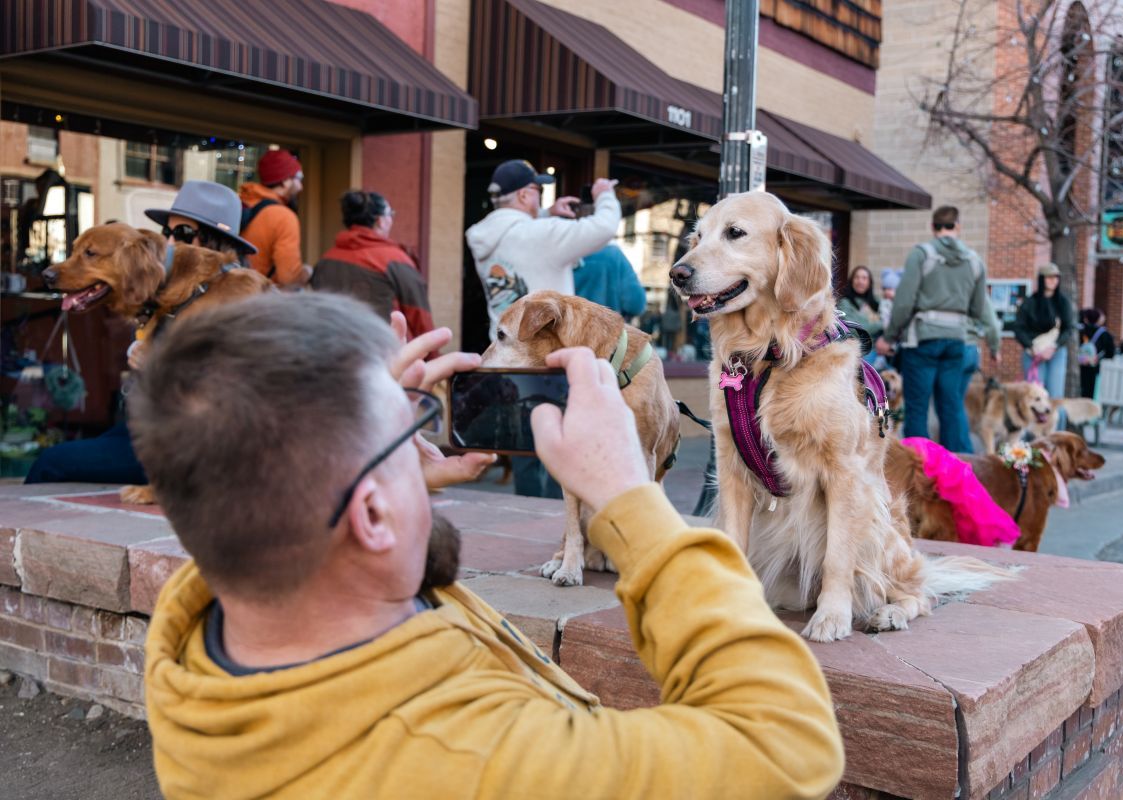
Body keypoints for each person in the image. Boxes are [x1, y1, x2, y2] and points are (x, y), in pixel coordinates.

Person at [133, 291, 844, 799]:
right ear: (371, 518)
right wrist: (632, 499)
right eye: (409, 433)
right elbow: (788, 744)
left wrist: (363, 454)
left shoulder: (209, 625)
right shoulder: (484, 761)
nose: (424, 440)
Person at [24, 180, 258, 485]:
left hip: (188, 442)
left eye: (184, 233)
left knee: (50, 462)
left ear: (219, 243)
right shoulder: (173, 288)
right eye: (168, 233)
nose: (171, 242)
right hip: (149, 425)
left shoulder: (237, 298)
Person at [883, 205, 1000, 453]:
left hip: (922, 341)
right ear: (958, 226)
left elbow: (904, 302)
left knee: (917, 408)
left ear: (932, 227)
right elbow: (980, 308)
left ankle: (918, 470)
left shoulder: (921, 255)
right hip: (956, 341)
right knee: (951, 406)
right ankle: (958, 469)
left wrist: (890, 336)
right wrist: (994, 342)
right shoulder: (974, 261)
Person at [466, 159, 621, 341]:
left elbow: (512, 226)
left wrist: (545, 213)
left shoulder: (482, 236)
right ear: (523, 195)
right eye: (538, 190)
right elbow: (604, 227)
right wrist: (605, 195)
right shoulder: (542, 234)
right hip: (543, 359)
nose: (539, 196)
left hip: (502, 352)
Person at [311, 190, 435, 337]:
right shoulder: (395, 260)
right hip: (386, 352)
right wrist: (432, 354)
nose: (392, 220)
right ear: (380, 221)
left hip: (336, 348)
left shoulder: (326, 260)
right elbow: (419, 315)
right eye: (390, 214)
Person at [238, 149, 308, 287]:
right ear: (286, 181)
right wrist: (307, 273)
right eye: (299, 178)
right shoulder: (284, 217)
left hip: (228, 294)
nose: (301, 187)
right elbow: (288, 280)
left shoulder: (240, 203)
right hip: (259, 301)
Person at [1012, 263, 1075, 398]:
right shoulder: (1030, 302)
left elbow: (1068, 329)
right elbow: (1018, 328)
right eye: (1049, 277)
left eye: (1056, 277)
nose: (1053, 280)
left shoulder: (1063, 302)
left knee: (1055, 394)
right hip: (1033, 352)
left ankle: (1058, 420)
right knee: (1035, 394)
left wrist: (1054, 347)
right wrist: (1031, 346)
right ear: (1042, 279)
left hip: (1055, 352)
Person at [1078, 308, 1116, 400]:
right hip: (1093, 368)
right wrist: (1098, 358)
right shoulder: (1105, 334)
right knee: (1090, 393)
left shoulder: (1079, 330)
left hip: (1078, 366)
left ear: (1086, 318)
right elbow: (1111, 353)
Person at [837, 265, 884, 339]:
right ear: (851, 281)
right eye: (857, 277)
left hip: (880, 347)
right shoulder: (844, 303)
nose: (860, 281)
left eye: (864, 278)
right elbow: (854, 330)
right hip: (858, 348)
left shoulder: (876, 302)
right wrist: (881, 325)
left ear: (869, 283)